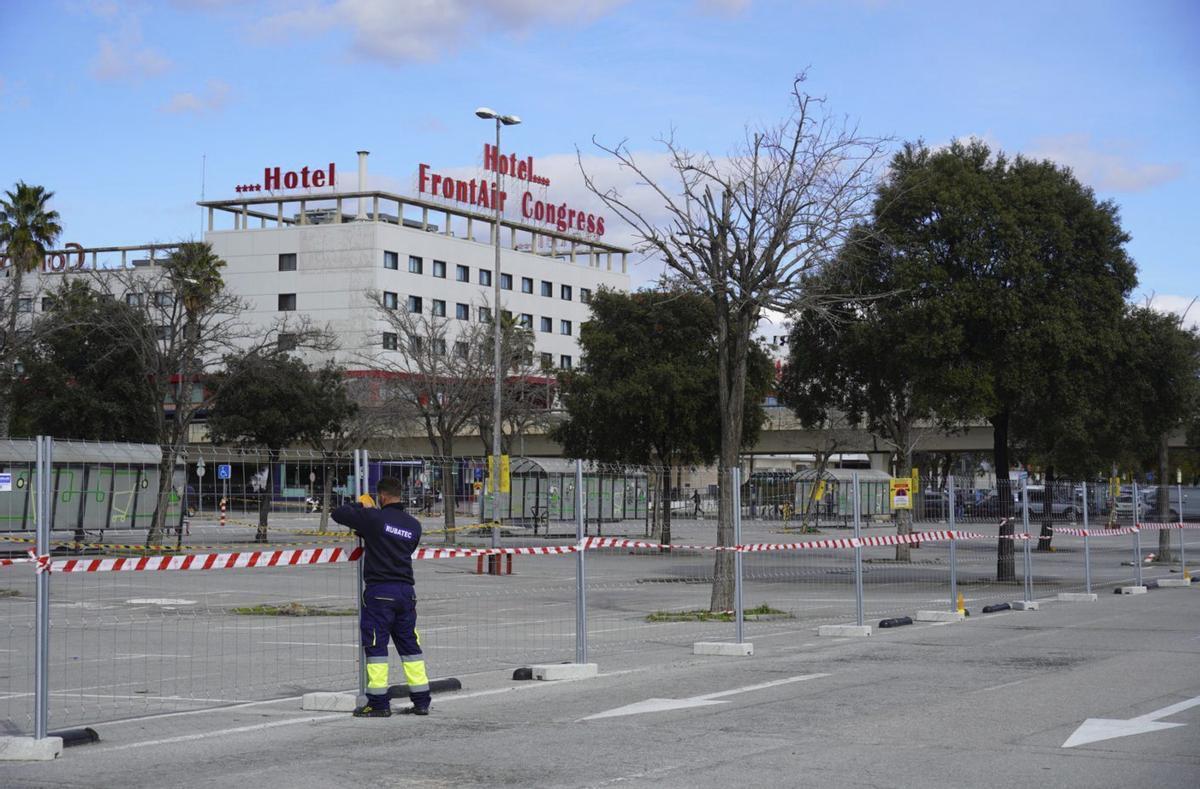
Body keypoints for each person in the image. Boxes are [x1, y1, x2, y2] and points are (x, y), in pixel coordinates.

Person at [332, 476, 432, 718]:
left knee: (376, 645)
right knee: (409, 646)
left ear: (382, 496)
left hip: (380, 592)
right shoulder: (413, 525)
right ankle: (421, 700)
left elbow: (338, 514)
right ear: (400, 494)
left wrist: (362, 506)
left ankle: (378, 703)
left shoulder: (375, 518)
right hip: (406, 592)